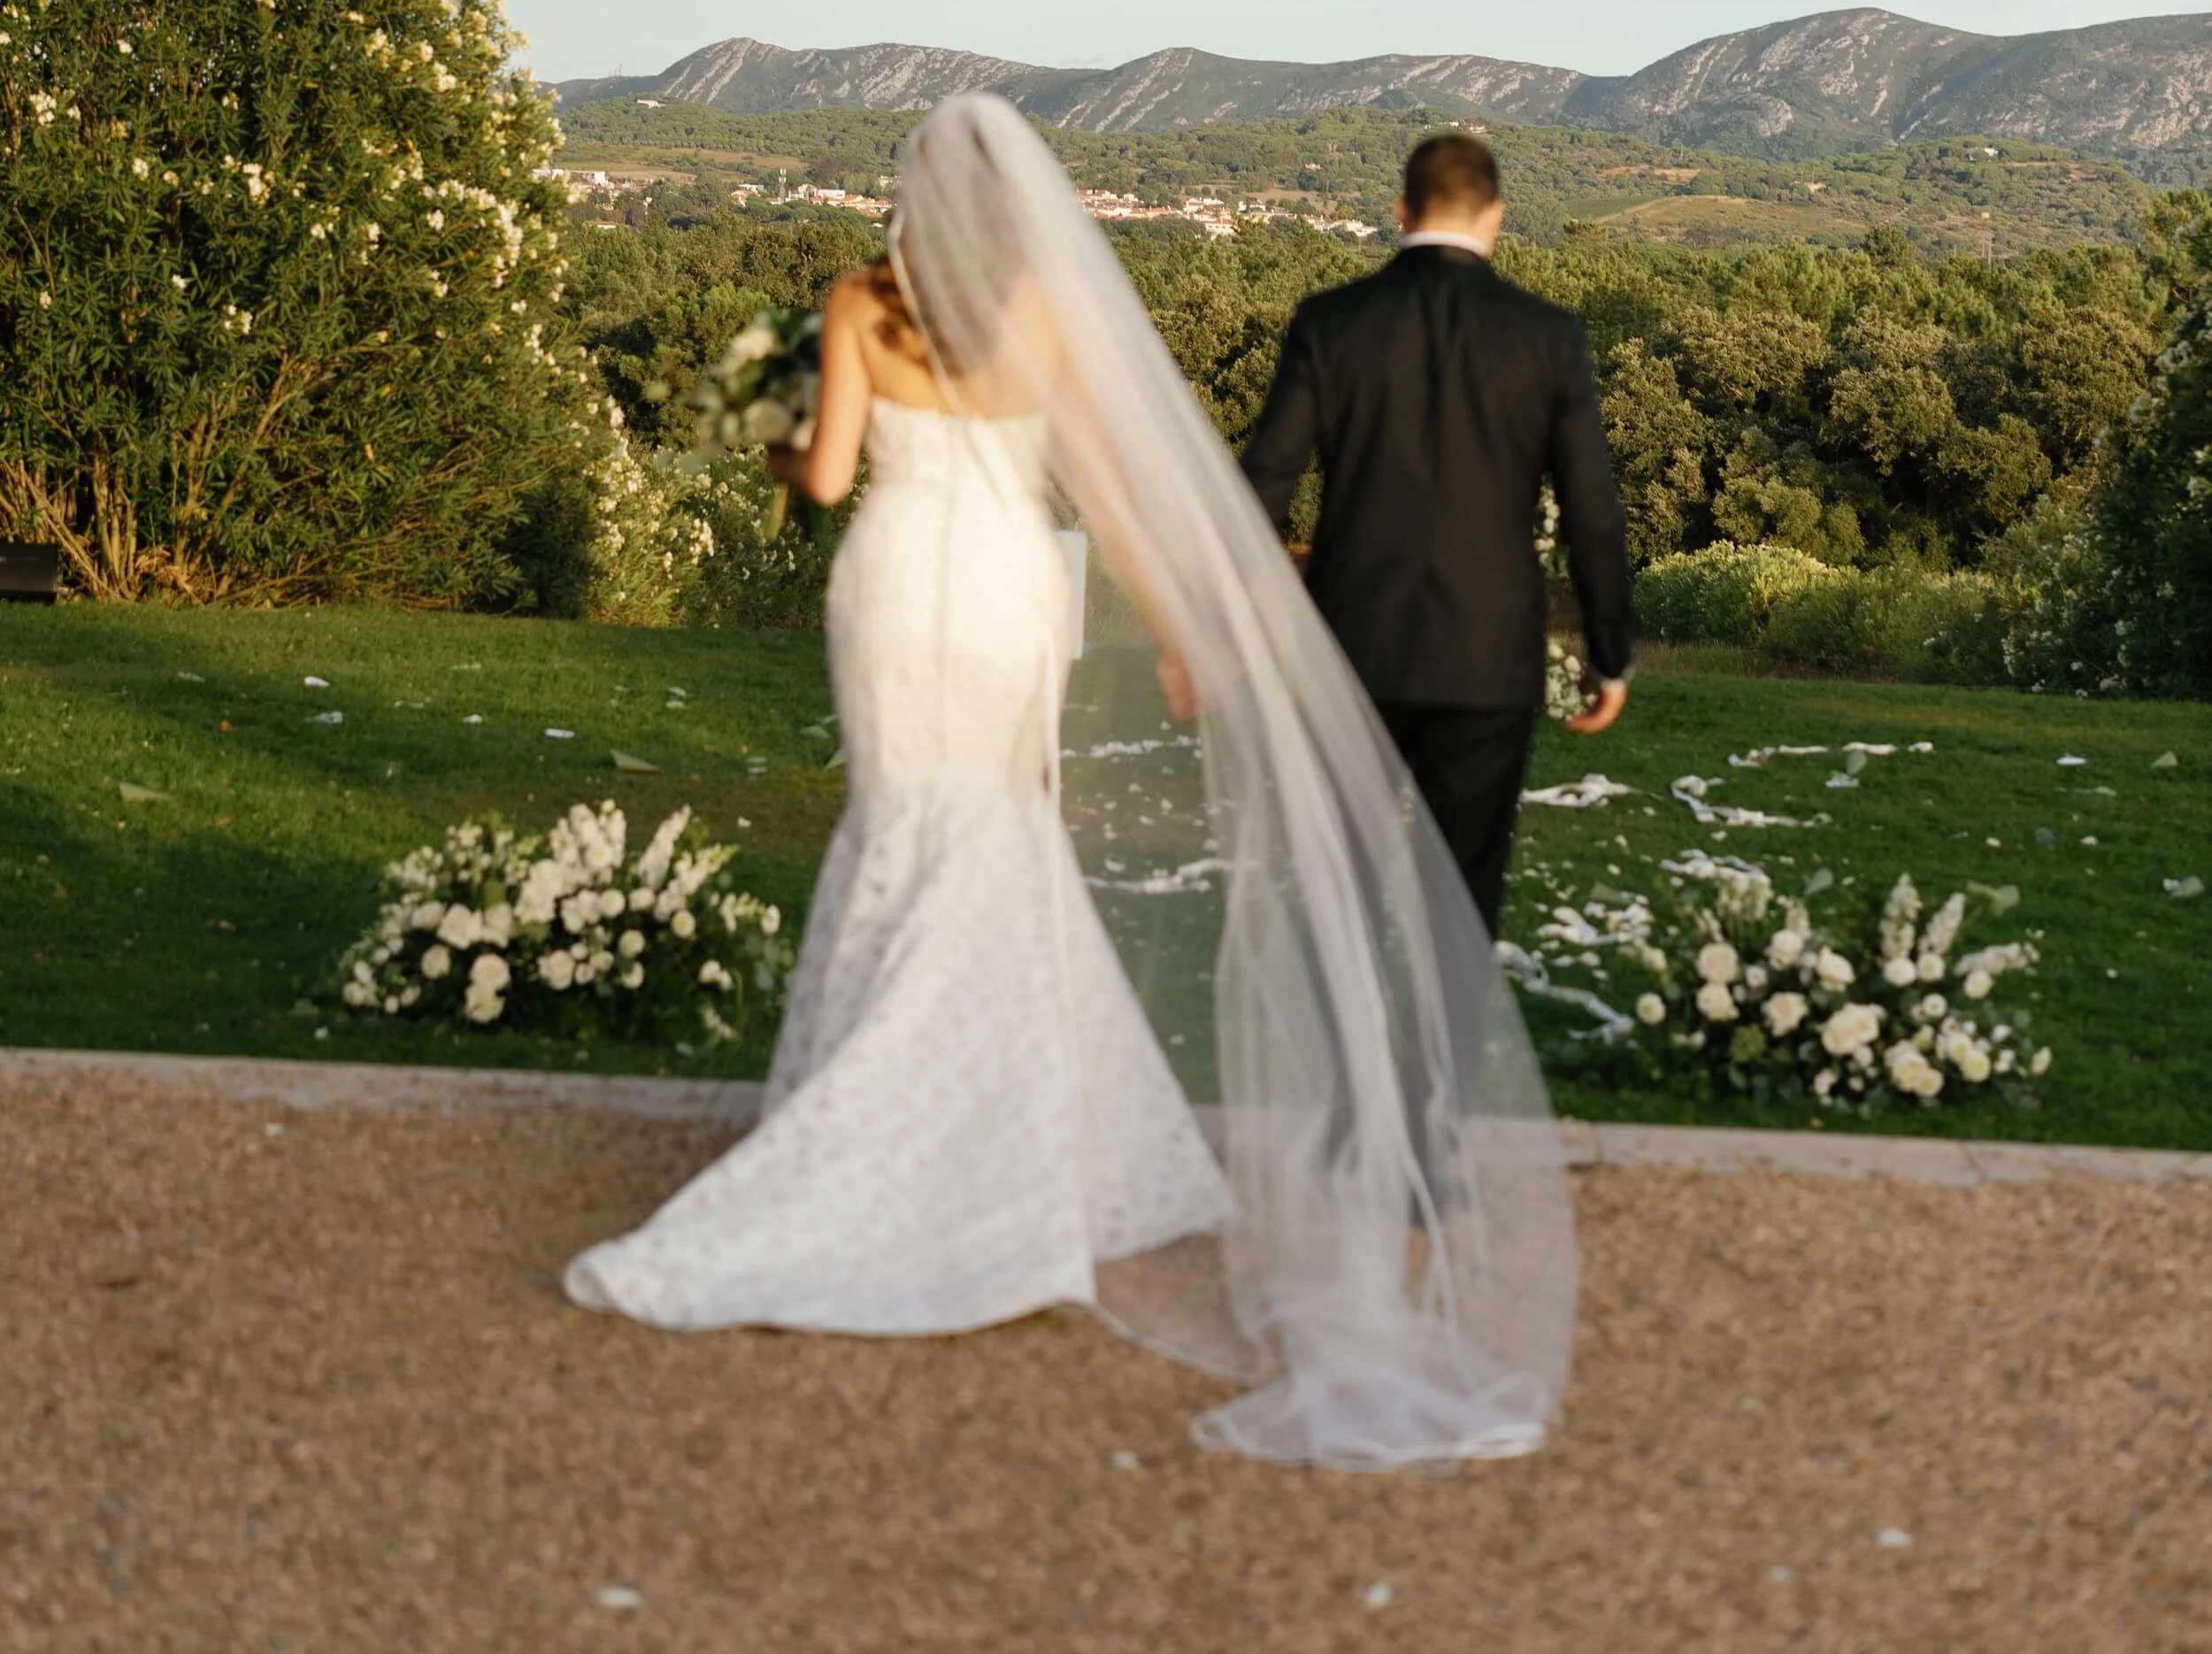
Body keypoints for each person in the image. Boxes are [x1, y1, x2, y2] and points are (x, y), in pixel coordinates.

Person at [566, 96, 1578, 1471]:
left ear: (916, 197)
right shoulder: (1048, 309)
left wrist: (758, 404)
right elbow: (1111, 493)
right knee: (997, 824)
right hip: (1002, 590)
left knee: (907, 822)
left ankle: (894, 1110)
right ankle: (1001, 1133)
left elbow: (820, 474)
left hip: (896, 572)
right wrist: (1180, 631)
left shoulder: (861, 300)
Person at [1240, 128, 1635, 943]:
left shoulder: (1331, 321)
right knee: (1462, 902)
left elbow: (1262, 488)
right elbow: (1592, 509)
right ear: (1494, 215)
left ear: (1400, 211)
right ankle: (1439, 1070)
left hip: (1348, 644)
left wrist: (1229, 629)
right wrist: (1609, 653)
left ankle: (1343, 1065)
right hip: (1487, 653)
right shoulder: (1547, 336)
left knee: (1335, 890)